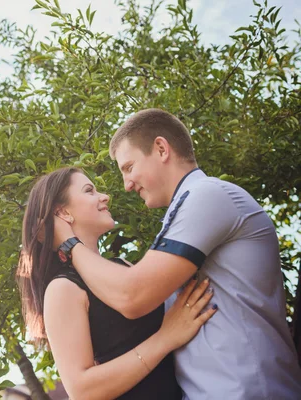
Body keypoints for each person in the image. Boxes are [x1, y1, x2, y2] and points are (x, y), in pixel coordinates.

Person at [53, 109, 301, 399]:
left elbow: (132, 296)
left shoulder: (209, 197)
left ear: (161, 148)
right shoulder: (182, 216)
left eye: (129, 167)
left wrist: (69, 244)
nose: (126, 185)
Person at [16, 167, 217, 399]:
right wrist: (165, 339)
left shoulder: (123, 266)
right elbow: (82, 389)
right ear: (63, 212)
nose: (105, 196)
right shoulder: (63, 288)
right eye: (89, 191)